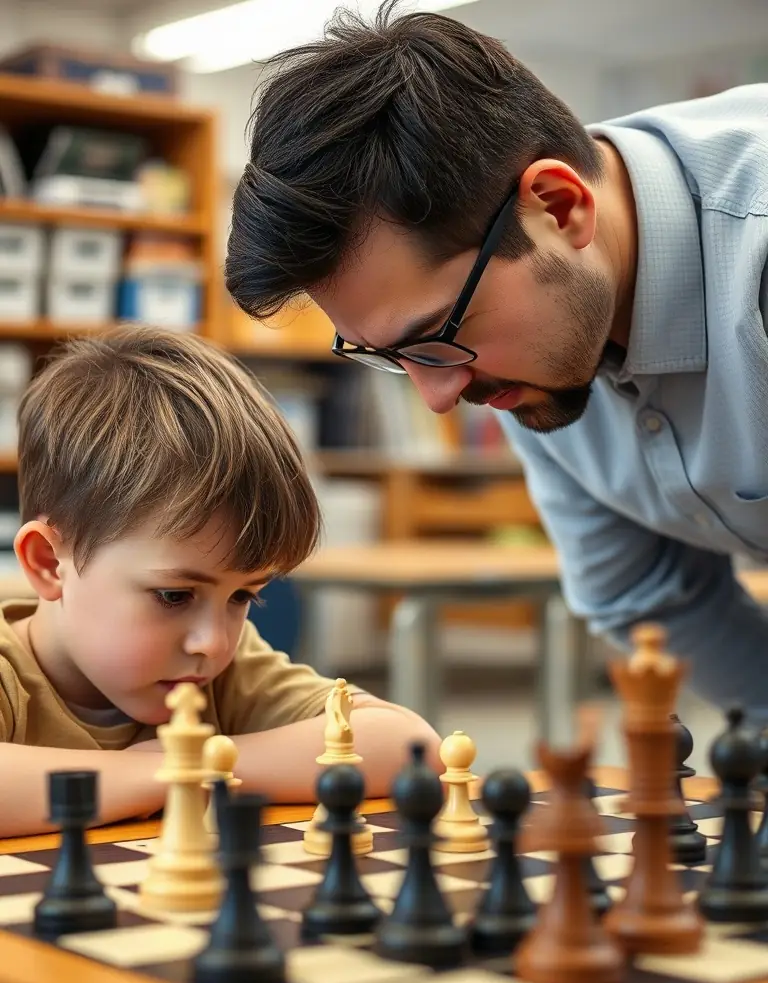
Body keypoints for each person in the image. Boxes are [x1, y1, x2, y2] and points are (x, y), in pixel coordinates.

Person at [225, 1, 768, 723]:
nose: (438, 397)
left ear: (559, 206)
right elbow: (646, 594)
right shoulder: (530, 348)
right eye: (389, 356)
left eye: (433, 333)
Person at [0, 326, 440, 838]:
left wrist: (194, 758)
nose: (213, 641)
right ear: (50, 563)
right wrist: (165, 771)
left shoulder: (218, 675)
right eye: (174, 595)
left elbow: (408, 744)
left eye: (242, 596)